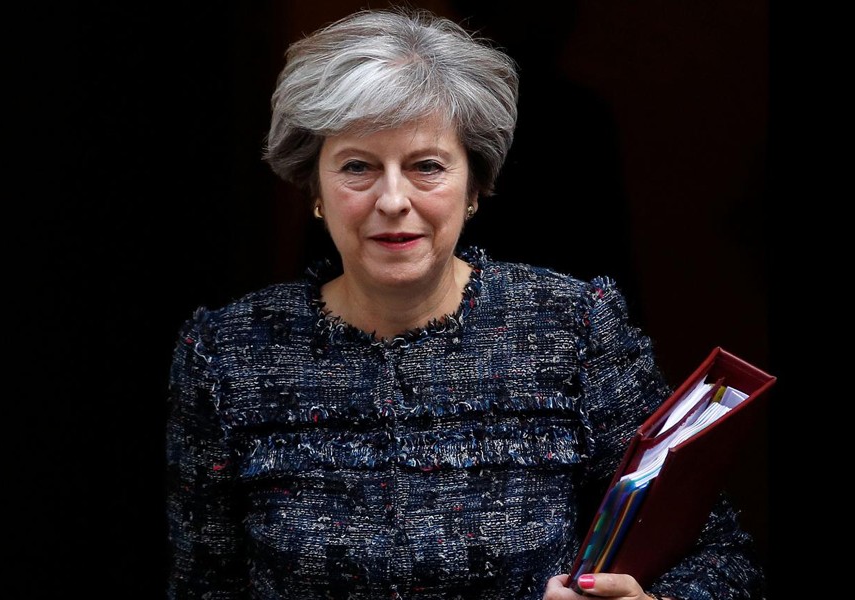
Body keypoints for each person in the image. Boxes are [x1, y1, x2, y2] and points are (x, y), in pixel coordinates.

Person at [165, 7, 766, 600]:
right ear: (314, 188)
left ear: (474, 186)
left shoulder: (570, 329)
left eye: (426, 166)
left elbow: (720, 559)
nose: (393, 198)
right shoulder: (228, 354)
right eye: (357, 167)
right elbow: (202, 584)